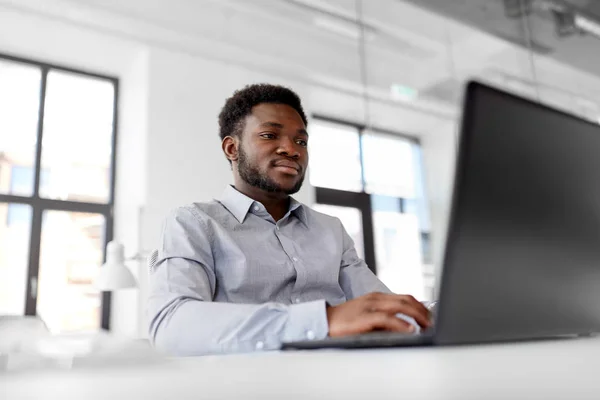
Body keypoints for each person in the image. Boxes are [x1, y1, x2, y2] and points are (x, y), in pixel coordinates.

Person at [147, 84, 432, 355]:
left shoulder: (330, 229)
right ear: (232, 149)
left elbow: (381, 307)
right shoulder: (193, 223)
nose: (292, 149)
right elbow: (171, 325)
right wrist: (324, 320)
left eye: (301, 140)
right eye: (270, 135)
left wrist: (443, 311)